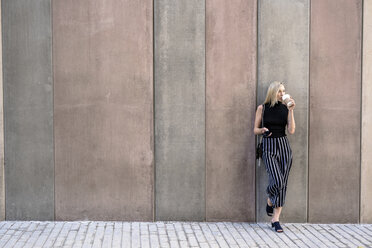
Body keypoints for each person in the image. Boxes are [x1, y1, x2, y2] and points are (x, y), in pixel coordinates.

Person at [253, 81, 296, 233]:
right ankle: (270, 199)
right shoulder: (262, 108)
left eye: (283, 91)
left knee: (283, 183)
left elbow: (291, 130)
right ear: (273, 93)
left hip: (284, 146)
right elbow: (255, 129)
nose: (282, 94)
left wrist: (291, 111)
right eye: (279, 91)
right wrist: (262, 130)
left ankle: (275, 219)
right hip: (268, 146)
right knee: (277, 180)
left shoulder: (285, 108)